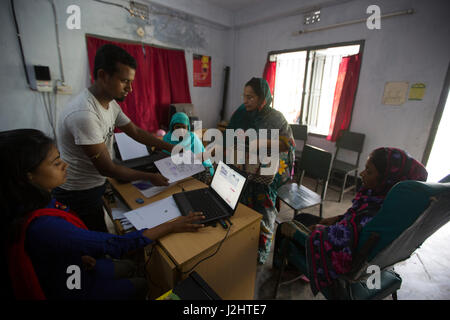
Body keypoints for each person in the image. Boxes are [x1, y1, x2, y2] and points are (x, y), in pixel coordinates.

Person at [1, 129, 205, 300]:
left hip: (74, 266)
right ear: (28, 176)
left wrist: (77, 255)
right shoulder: (45, 226)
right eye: (55, 163)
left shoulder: (34, 202)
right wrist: (173, 225)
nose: (65, 165)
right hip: (73, 288)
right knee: (141, 283)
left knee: (127, 265)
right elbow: (117, 244)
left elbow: (58, 246)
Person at [273, 147, 428, 295]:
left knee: (285, 227)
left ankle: (288, 266)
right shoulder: (387, 203)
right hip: (364, 252)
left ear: (387, 179)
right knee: (303, 217)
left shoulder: (373, 214)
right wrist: (337, 219)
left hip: (352, 261)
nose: (361, 174)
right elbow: (354, 221)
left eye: (369, 171)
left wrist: (319, 230)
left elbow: (342, 240)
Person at [54, 44, 175, 232]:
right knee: (96, 241)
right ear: (103, 75)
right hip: (77, 192)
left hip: (95, 184)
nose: (131, 89)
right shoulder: (84, 114)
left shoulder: (110, 104)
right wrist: (150, 177)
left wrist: (171, 147)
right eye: (125, 81)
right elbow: (107, 168)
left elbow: (135, 132)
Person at [226, 77, 295, 264]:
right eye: (244, 96)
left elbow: (288, 145)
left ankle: (260, 252)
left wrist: (262, 154)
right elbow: (231, 137)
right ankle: (242, 242)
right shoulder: (241, 113)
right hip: (244, 169)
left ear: (263, 98)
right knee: (241, 207)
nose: (246, 101)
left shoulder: (276, 118)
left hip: (266, 174)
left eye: (251, 97)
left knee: (264, 211)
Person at [163, 112, 214, 179]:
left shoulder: (192, 138)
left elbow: (197, 160)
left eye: (184, 127)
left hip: (202, 167)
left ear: (188, 128)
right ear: (172, 128)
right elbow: (164, 157)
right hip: (178, 168)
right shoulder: (167, 138)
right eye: (177, 127)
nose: (181, 130)